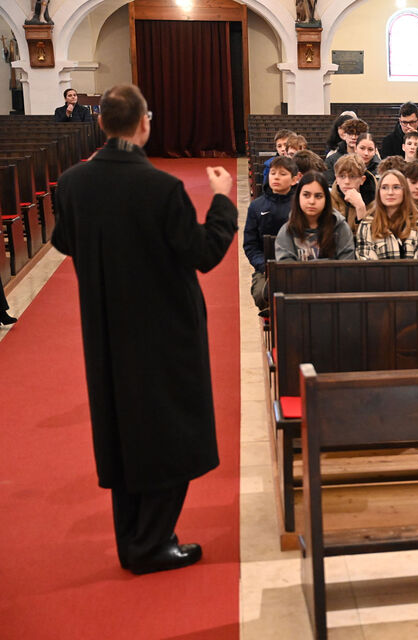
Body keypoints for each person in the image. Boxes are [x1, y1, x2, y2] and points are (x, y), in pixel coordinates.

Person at [50, 84, 238, 575]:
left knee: (122, 430)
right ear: (144, 124)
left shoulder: (71, 183)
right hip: (163, 332)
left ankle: (134, 540)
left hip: (104, 330)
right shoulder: (160, 188)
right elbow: (203, 252)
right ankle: (151, 544)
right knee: (168, 433)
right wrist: (222, 202)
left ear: (101, 124)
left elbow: (64, 241)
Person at [244, 156, 299, 313]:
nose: (276, 177)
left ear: (294, 180)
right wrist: (264, 267)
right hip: (266, 267)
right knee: (262, 294)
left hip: (296, 265)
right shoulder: (256, 206)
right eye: (273, 173)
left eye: (282, 174)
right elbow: (250, 245)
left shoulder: (300, 204)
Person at [355, 169, 418, 260]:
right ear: (379, 192)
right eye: (384, 188)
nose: (390, 193)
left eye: (396, 187)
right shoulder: (367, 224)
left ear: (405, 191)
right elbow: (366, 262)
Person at [275, 171, 355, 261]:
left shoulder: (341, 228)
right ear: (298, 197)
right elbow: (285, 267)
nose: (312, 201)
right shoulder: (288, 230)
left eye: (318, 196)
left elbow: (347, 265)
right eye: (306, 195)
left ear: (326, 199)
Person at [330, 154, 376, 233]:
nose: (347, 182)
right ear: (336, 179)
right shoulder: (329, 200)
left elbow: (370, 237)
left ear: (362, 180)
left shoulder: (374, 203)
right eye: (342, 176)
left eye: (352, 176)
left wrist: (360, 208)